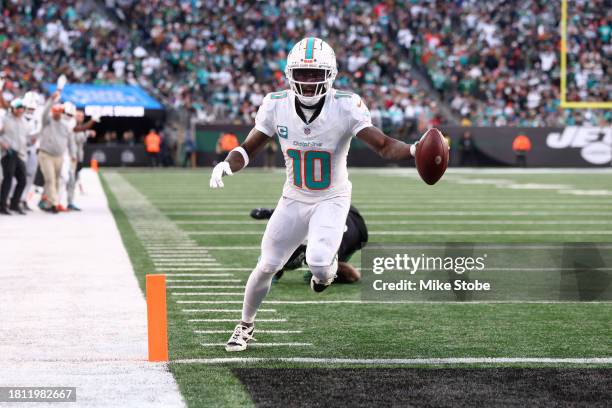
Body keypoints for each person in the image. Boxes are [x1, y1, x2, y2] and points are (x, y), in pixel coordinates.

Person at [209, 38, 418, 352]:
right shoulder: (275, 104)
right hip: (293, 197)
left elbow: (385, 145)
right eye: (302, 74)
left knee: (318, 265)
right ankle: (245, 325)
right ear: (290, 74)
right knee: (266, 265)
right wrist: (227, 163)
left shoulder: (346, 105)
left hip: (331, 197)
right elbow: (247, 148)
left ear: (330, 74)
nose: (308, 81)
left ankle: (326, 270)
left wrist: (415, 150)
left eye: (315, 73)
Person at [250, 205, 368, 284]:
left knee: (313, 274)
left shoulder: (322, 255)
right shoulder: (320, 252)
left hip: (351, 221)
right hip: (351, 223)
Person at [37, 91, 74, 213]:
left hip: (59, 156)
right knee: (50, 179)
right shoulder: (47, 121)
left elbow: (70, 140)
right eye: (55, 112)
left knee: (57, 180)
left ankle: (48, 202)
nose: (56, 114)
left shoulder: (65, 125)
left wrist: (72, 154)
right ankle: (54, 203)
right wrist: (51, 100)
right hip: (46, 154)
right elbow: (44, 113)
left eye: (59, 112)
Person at [0, 98, 32, 215]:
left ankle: (14, 203)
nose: (20, 110)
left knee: (22, 180)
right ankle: (2, 205)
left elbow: (26, 137)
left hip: (19, 153)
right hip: (8, 153)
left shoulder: (24, 122)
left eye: (21, 108)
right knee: (8, 179)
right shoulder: (5, 119)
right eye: (18, 108)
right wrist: (3, 143)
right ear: (12, 108)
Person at [66, 110, 97, 211]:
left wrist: (87, 132)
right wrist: (88, 132)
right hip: (71, 157)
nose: (81, 117)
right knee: (68, 180)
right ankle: (59, 202)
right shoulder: (71, 125)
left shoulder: (81, 127)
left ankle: (69, 202)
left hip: (78, 157)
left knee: (73, 180)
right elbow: (78, 137)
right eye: (78, 115)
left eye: (82, 116)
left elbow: (82, 131)